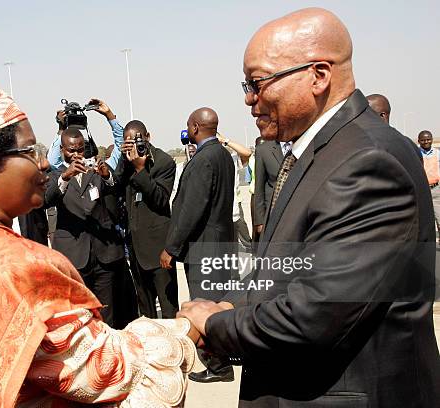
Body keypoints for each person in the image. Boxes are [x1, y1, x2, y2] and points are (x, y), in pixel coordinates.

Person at [178, 8, 439, 407]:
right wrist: (234, 304)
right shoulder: (321, 151)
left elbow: (315, 314)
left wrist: (214, 323)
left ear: (319, 75)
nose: (249, 99)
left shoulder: (368, 160)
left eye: (258, 83)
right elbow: (292, 270)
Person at [0, 81, 196, 407]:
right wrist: (187, 330)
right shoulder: (20, 265)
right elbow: (110, 372)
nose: (42, 165)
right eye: (29, 151)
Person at [161, 108, 235, 383]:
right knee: (218, 305)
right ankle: (224, 360)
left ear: (194, 127)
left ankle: (219, 366)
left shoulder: (205, 159)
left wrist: (171, 247)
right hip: (219, 243)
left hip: (205, 247)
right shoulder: (223, 154)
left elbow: (192, 209)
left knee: (205, 308)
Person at [44, 128, 125, 328]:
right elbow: (47, 199)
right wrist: (66, 176)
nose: (77, 154)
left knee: (107, 313)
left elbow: (116, 189)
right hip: (74, 256)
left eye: (80, 149)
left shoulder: (95, 171)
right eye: (72, 150)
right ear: (62, 150)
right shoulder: (54, 176)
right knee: (78, 313)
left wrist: (107, 176)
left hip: (103, 254)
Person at [114, 119, 178, 319]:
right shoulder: (126, 163)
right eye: (127, 142)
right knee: (146, 310)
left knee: (168, 308)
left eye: (136, 140)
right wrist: (125, 162)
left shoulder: (163, 161)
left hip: (159, 249)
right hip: (136, 250)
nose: (132, 146)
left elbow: (160, 199)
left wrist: (141, 169)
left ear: (148, 137)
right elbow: (115, 187)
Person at [47, 99, 123, 171]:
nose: (76, 155)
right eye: (72, 151)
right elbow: (52, 162)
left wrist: (61, 128)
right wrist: (109, 115)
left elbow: (121, 147)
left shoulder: (102, 170)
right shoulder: (67, 174)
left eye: (80, 151)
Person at [216, 132, 253, 251]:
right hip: (216, 212)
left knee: (241, 232)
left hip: (234, 208)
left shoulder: (232, 159)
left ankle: (249, 248)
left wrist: (225, 140)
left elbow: (247, 153)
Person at [252, 139, 290, 236]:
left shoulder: (303, 143)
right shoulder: (263, 149)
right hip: (273, 212)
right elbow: (259, 187)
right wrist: (260, 221)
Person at [418, 130, 440, 236]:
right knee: (423, 220)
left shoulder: (437, 153)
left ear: (432, 139)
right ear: (419, 141)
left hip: (436, 191)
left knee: (439, 218)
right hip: (422, 191)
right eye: (423, 140)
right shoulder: (416, 153)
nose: (426, 141)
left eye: (428, 139)